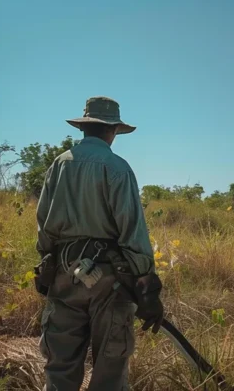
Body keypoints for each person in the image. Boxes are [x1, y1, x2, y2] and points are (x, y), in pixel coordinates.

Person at [35, 96, 164, 391]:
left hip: (63, 274)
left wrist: (48, 261)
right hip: (110, 280)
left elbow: (43, 223)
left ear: (85, 128)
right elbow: (133, 231)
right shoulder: (117, 168)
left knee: (60, 367)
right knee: (110, 367)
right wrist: (146, 283)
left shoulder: (59, 164)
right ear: (113, 130)